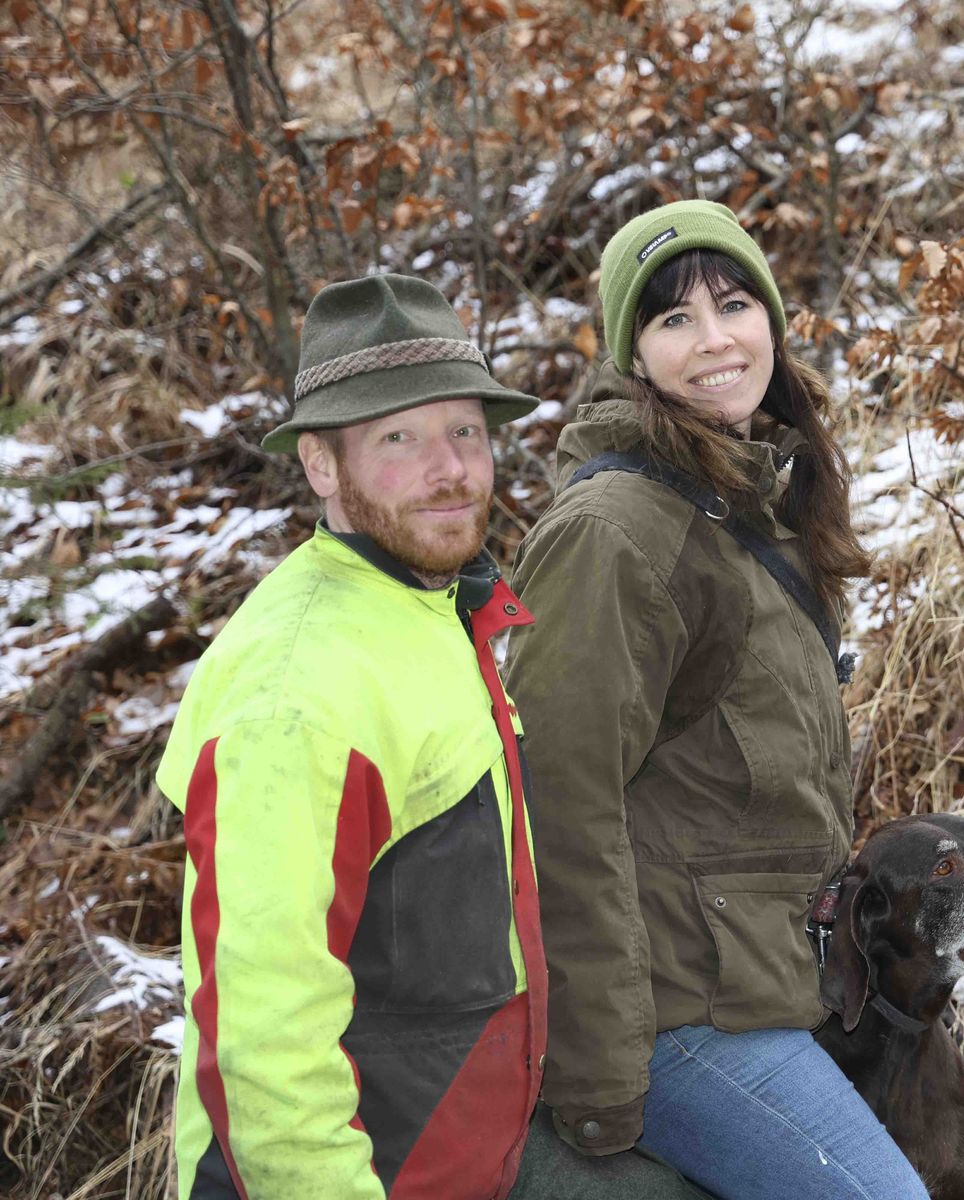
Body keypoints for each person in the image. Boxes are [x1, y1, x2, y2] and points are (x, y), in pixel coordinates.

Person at [155, 274, 702, 1200]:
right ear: (321, 466)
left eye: (465, 432)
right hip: (370, 1171)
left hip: (474, 1142)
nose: (450, 469)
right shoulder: (300, 694)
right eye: (398, 439)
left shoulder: (433, 607)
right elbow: (263, 1042)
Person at [503, 201, 929, 1200]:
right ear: (635, 357)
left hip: (766, 983)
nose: (714, 340)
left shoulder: (763, 500)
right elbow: (555, 806)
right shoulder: (615, 532)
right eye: (672, 320)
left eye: (733, 303)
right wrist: (602, 1072)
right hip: (673, 1013)